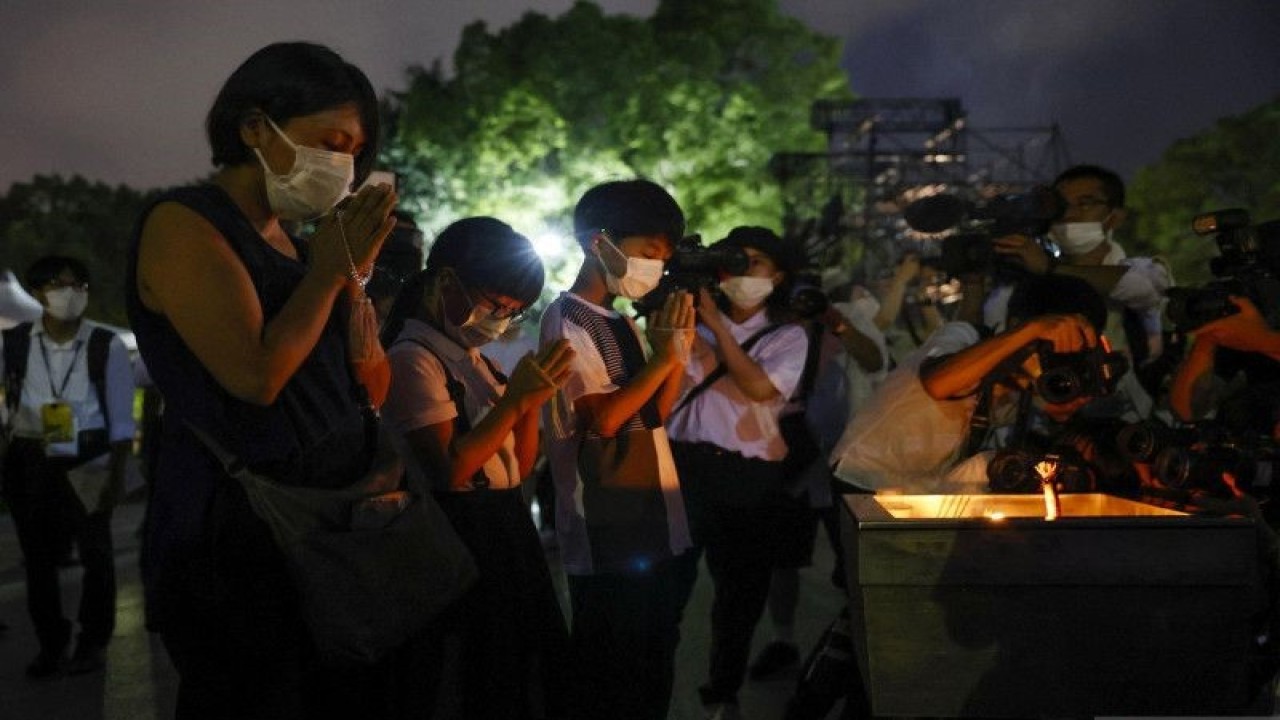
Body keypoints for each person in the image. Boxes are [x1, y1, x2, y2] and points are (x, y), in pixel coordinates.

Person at [126, 42, 405, 719]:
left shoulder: (299, 241)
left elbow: (367, 384)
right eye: (328, 141)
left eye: (353, 151)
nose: (341, 165)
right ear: (255, 127)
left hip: (324, 527)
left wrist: (353, 277)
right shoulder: (185, 225)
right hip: (238, 537)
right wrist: (326, 275)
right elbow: (255, 377)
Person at [380, 217, 574, 719]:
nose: (500, 322)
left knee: (518, 673)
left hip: (504, 527)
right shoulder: (412, 358)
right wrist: (515, 404)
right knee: (473, 677)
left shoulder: (476, 360)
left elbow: (519, 464)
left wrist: (531, 403)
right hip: (458, 535)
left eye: (513, 312)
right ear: (445, 282)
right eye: (493, 305)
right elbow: (451, 471)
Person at [539, 178, 697, 720]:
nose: (654, 268)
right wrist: (660, 360)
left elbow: (654, 414)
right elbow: (603, 421)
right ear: (599, 242)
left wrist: (672, 353)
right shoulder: (567, 319)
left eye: (662, 259)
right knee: (611, 674)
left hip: (649, 515)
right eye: (648, 253)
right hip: (607, 523)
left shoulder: (622, 322)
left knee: (652, 664)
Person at [666, 226, 810, 719]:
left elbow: (760, 390)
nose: (744, 271)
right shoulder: (692, 321)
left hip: (748, 478)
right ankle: (656, 687)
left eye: (757, 261)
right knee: (668, 589)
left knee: (738, 599)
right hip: (684, 466)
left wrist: (715, 327)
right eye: (736, 260)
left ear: (780, 275)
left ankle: (722, 697)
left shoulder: (788, 335)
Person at [0, 255, 136, 678]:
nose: (71, 293)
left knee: (96, 554)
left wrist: (116, 471)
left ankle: (92, 640)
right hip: (31, 457)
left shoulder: (104, 344)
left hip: (89, 455)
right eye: (60, 285)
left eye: (79, 285)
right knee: (38, 560)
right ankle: (50, 644)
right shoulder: (17, 341)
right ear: (37, 291)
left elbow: (120, 417)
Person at [990, 164, 1172, 417]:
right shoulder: (1023, 284)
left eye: (1085, 203)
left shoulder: (1148, 271)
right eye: (1060, 206)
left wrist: (1049, 267)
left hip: (1127, 422)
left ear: (1115, 216)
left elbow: (1139, 288)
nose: (1070, 215)